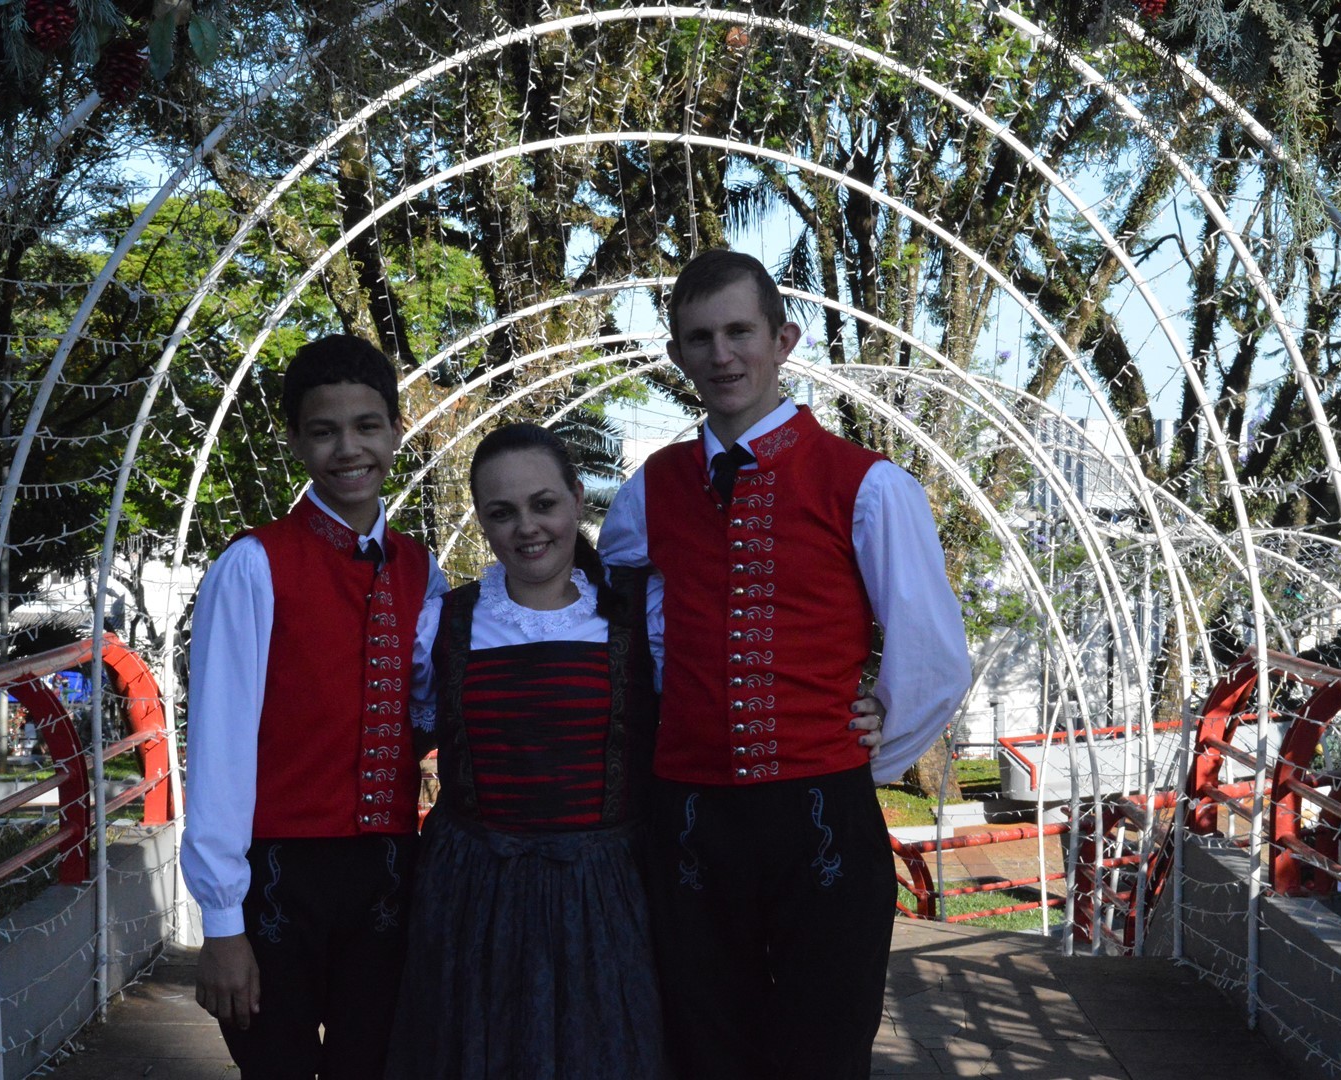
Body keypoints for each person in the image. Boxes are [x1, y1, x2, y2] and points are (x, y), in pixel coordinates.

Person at [394, 422, 886, 1079]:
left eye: (544, 504)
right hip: (476, 901)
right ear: (481, 521)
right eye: (501, 513)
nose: (527, 528)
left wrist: (867, 710)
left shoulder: (638, 620)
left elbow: (726, 687)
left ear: (576, 498)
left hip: (607, 897)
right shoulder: (446, 622)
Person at [599, 249, 973, 1079]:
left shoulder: (865, 483)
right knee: (705, 1046)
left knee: (823, 1047)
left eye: (739, 332)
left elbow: (935, 654)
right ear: (677, 356)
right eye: (699, 338)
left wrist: (876, 740)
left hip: (821, 812)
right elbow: (624, 622)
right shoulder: (650, 489)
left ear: (784, 340)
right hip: (691, 810)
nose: (721, 355)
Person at [180, 334, 447, 1079]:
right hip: (277, 880)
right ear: (295, 438)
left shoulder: (423, 571)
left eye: (367, 426)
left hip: (388, 876)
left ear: (397, 430)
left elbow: (425, 711)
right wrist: (223, 926)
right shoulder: (253, 566)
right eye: (324, 431)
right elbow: (221, 752)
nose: (348, 449)